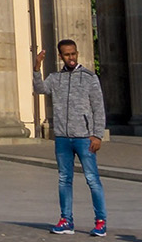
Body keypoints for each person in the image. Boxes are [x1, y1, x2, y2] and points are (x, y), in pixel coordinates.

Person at [34, 41, 108, 237]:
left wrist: (97, 135)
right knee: (64, 179)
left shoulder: (89, 78)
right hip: (62, 138)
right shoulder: (55, 78)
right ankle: (66, 220)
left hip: (85, 138)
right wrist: (36, 68)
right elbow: (40, 89)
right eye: (67, 55)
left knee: (92, 179)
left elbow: (98, 108)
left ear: (77, 53)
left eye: (73, 54)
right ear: (61, 57)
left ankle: (101, 221)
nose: (71, 58)